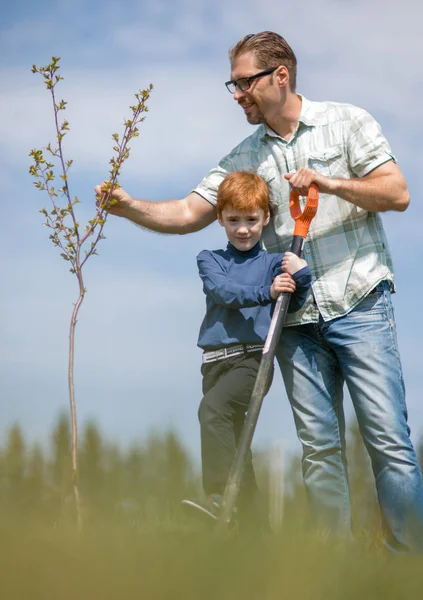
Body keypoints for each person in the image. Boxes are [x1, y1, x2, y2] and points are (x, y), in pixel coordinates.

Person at [95, 31, 423, 551]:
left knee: (389, 442)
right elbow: (188, 212)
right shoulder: (245, 157)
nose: (237, 94)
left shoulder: (347, 122)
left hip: (359, 304)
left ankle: (408, 564)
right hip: (292, 321)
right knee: (319, 450)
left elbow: (397, 192)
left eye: (244, 82)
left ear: (281, 76)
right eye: (233, 83)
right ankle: (332, 568)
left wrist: (331, 183)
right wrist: (130, 206)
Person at [180, 171, 311, 528]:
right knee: (238, 446)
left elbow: (297, 297)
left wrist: (301, 275)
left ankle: (219, 496)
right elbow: (224, 293)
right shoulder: (210, 259)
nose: (243, 229)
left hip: (254, 359)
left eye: (251, 220)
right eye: (234, 220)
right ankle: (254, 531)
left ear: (265, 219)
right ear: (220, 217)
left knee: (212, 410)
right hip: (214, 363)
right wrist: (265, 292)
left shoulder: (274, 263)